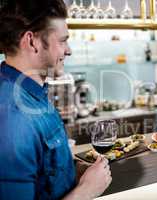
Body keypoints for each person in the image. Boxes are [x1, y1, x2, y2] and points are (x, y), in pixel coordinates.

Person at [0, 0, 111, 199]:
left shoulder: (34, 93)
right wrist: (86, 191)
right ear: (32, 41)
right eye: (62, 40)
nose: (68, 50)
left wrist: (73, 168)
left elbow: (44, 167)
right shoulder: (12, 119)